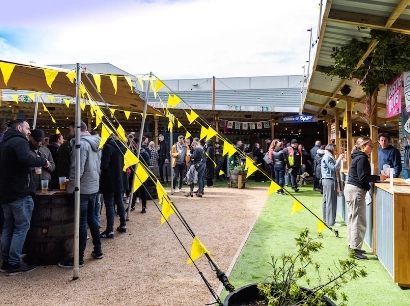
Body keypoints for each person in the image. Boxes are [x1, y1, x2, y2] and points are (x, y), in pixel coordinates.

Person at [0, 119, 50, 275]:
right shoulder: (19, 142)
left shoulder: (5, 143)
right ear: (20, 128)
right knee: (21, 228)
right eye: (28, 128)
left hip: (5, 194)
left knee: (8, 227)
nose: (30, 131)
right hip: (19, 192)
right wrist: (43, 161)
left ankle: (6, 261)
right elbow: (27, 159)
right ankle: (15, 262)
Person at [58, 121, 103, 268]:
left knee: (82, 222)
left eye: (70, 129)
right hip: (93, 186)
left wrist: (70, 187)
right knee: (92, 219)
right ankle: (98, 249)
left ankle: (79, 258)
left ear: (76, 129)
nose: (69, 132)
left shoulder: (81, 144)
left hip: (82, 188)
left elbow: (77, 169)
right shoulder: (97, 142)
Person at [345, 137, 387, 260]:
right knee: (358, 221)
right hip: (356, 191)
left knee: (353, 219)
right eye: (370, 145)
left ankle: (352, 246)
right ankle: (355, 249)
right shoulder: (362, 158)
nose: (372, 148)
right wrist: (378, 177)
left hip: (352, 189)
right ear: (363, 146)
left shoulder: (358, 157)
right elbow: (363, 177)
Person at [99, 134, 127, 238]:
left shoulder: (108, 147)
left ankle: (110, 229)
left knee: (109, 204)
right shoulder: (123, 147)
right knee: (119, 200)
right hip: (120, 178)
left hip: (109, 179)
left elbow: (104, 165)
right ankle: (123, 224)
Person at [321, 144, 344, 227]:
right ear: (331, 150)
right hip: (329, 180)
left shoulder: (327, 156)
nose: (336, 151)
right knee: (331, 200)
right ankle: (331, 221)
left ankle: (326, 219)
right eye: (335, 149)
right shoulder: (328, 157)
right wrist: (339, 159)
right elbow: (333, 168)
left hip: (327, 180)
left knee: (326, 200)